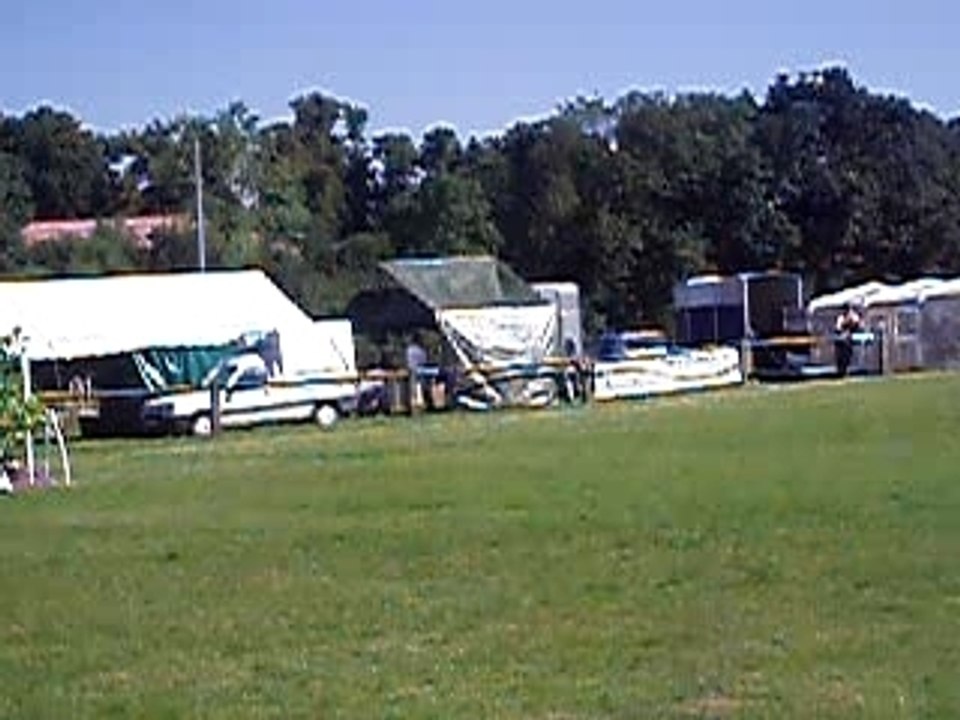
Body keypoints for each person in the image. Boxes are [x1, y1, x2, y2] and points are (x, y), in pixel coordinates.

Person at [834, 303, 863, 377]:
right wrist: (846, 323)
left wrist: (852, 323)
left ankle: (846, 370)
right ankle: (841, 371)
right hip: (842, 340)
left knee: (848, 356)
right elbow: (838, 328)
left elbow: (858, 324)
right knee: (841, 356)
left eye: (847, 310)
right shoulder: (840, 318)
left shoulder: (853, 315)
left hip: (850, 339)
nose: (846, 311)